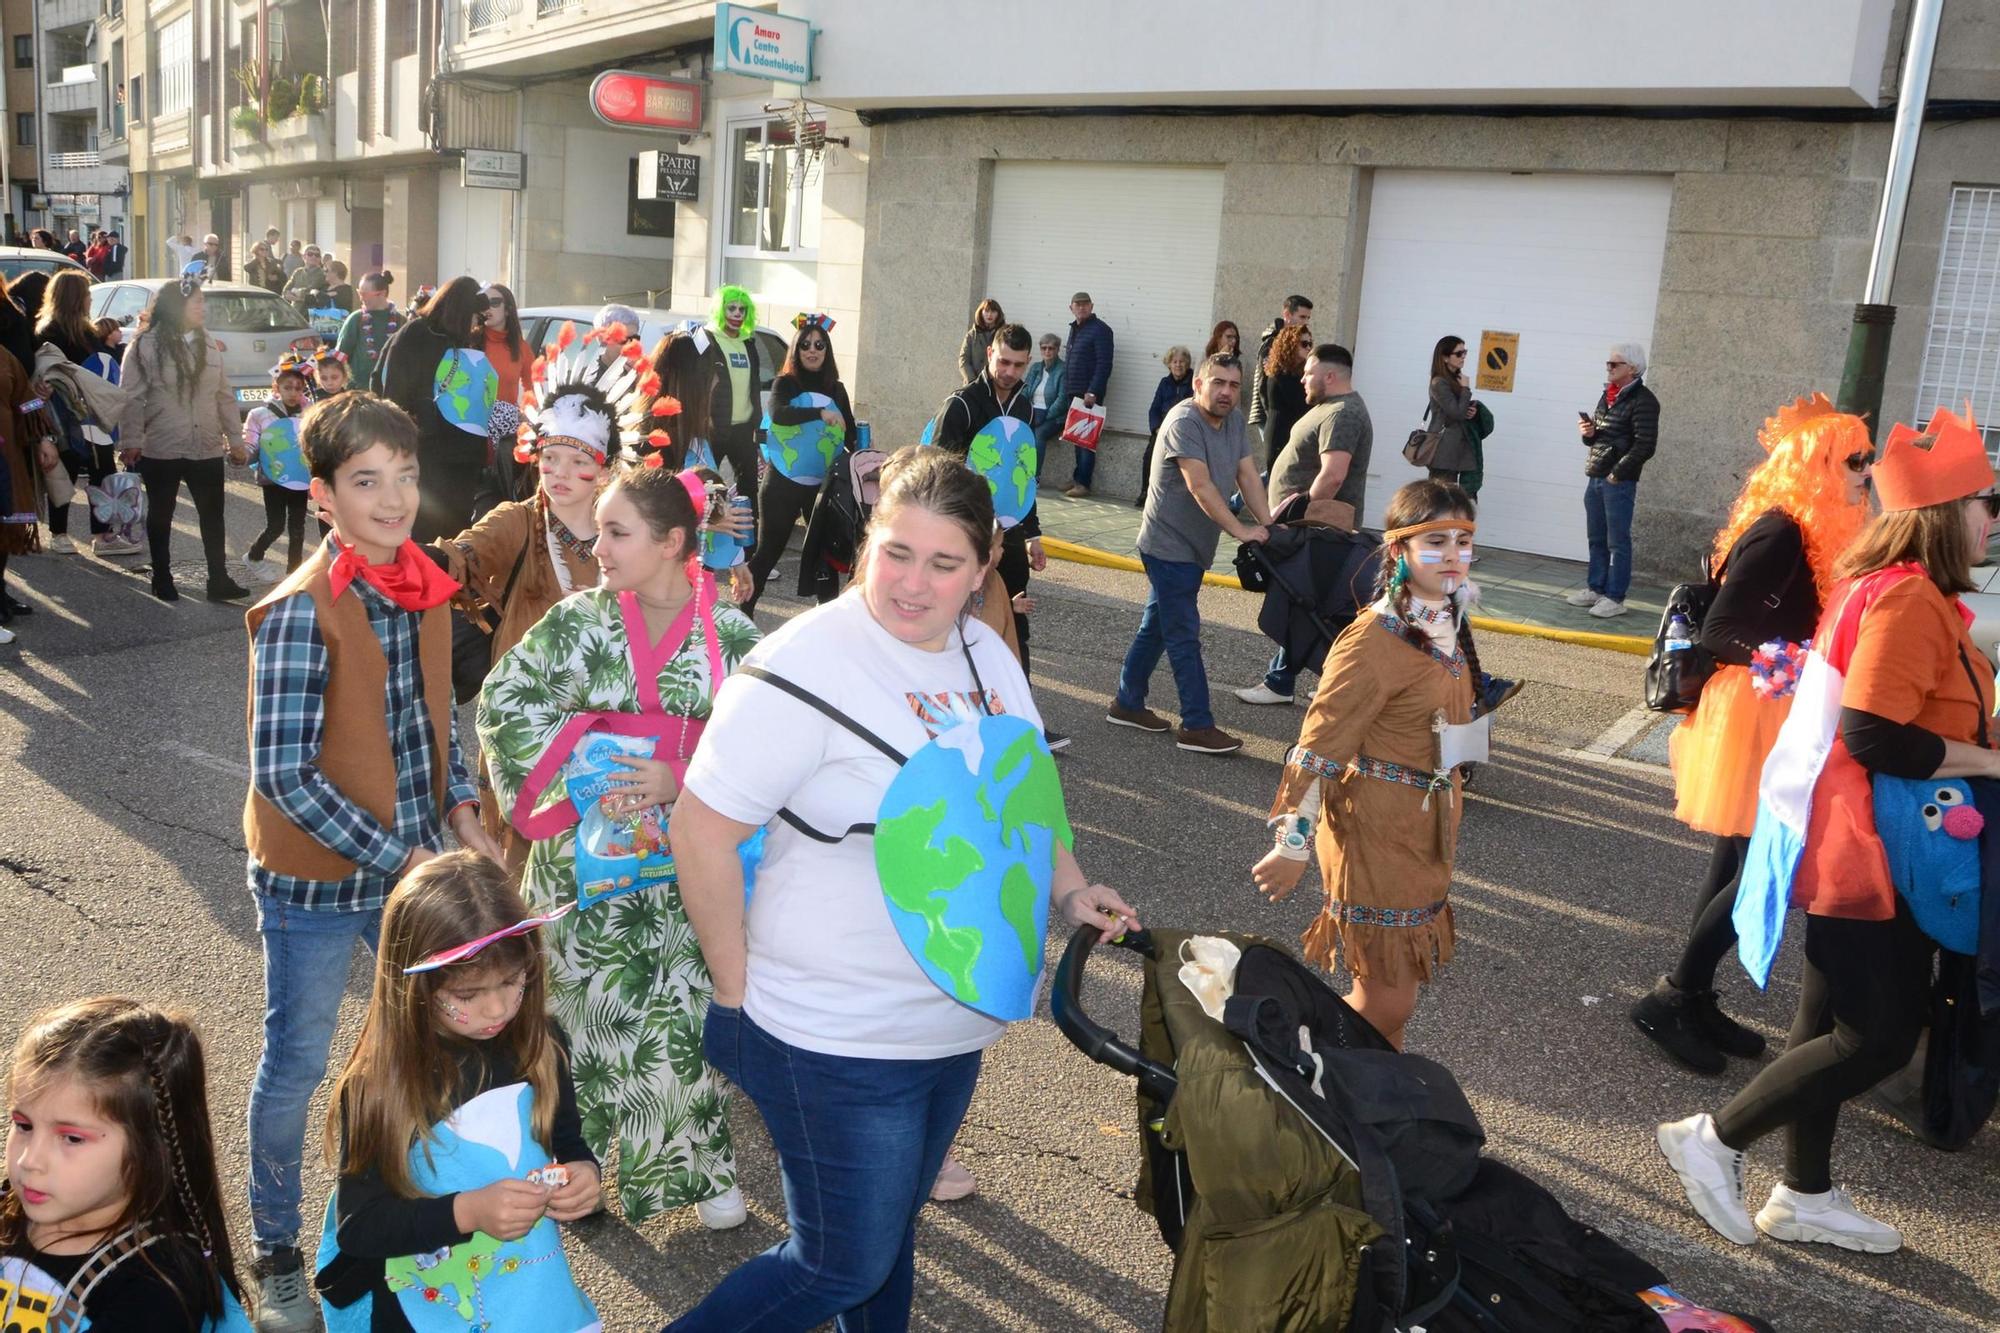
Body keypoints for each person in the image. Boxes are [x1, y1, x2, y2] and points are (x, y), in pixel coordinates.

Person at [666, 447, 1139, 1330]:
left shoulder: (988, 653)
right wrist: (733, 992)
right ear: (863, 544)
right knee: (837, 1264)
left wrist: (1070, 888)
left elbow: (1025, 790)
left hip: (951, 1021)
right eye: (896, 552)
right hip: (833, 1034)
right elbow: (701, 831)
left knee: (885, 1242)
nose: (913, 584)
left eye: (944, 562)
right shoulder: (800, 667)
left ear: (984, 566)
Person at [1658, 405, 1995, 1257]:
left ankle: (1803, 1192)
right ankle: (1714, 1138)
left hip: (1848, 834)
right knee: (1876, 1033)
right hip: (1873, 848)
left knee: (1825, 1023)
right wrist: (1987, 760)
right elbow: (1874, 733)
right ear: (1946, 515)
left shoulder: (1884, 584)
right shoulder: (1910, 598)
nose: (1994, 519)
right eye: (1988, 502)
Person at [241, 392, 501, 1330]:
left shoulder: (422, 583)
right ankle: (274, 1251)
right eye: (366, 482)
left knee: (422, 1046)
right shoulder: (301, 610)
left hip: (407, 867)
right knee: (298, 1061)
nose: (393, 501)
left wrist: (462, 804)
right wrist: (406, 860)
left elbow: (438, 722)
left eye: (405, 476)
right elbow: (281, 775)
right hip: (315, 882)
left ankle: (393, 1220)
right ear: (321, 494)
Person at [479, 462, 760, 1230]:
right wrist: (577, 779)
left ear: (673, 541)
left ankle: (698, 1168)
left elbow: (769, 744)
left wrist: (683, 774)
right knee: (582, 1016)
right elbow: (505, 697)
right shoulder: (578, 621)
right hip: (583, 858)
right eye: (597, 528)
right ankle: (581, 1169)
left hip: (688, 863)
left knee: (685, 1014)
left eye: (615, 530)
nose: (595, 544)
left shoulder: (732, 633)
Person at [1629, 395, 1874, 1075]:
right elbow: (1722, 632)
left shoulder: (1808, 532)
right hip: (1757, 711)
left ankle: (1694, 993)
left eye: (1867, 457)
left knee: (1738, 861)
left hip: (1772, 705)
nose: (1865, 470)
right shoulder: (1782, 532)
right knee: (1759, 862)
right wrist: (1805, 665)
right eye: (1853, 459)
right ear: (1817, 464)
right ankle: (1673, 997)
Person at [313, 854, 601, 1331]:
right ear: (416, 986)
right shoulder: (380, 1085)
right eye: (467, 995)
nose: (497, 1008)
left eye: (512, 981)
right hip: (425, 1308)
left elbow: (565, 1140)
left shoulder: (542, 1045)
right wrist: (467, 1212)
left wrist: (583, 1172)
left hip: (530, 1296)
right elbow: (361, 1227)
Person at [1250, 479, 1482, 1050]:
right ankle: (1297, 1078)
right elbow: (1320, 743)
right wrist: (1294, 843)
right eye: (1436, 542)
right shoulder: (1372, 638)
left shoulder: (1444, 619)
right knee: (1386, 998)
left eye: (1463, 540)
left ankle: (1376, 1109)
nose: (1453, 555)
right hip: (1373, 831)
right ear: (1399, 550)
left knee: (1393, 1000)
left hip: (1422, 831)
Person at [438, 326, 644, 867]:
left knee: (599, 877)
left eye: (579, 461)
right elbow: (464, 554)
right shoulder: (519, 524)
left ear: (605, 466)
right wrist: (420, 560)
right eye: (550, 457)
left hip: (608, 739)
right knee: (518, 880)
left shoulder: (628, 533)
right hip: (525, 733)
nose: (561, 474)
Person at [2, 996, 252, 1331]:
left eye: (71, 1138)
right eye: (23, 1125)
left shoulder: (158, 1289)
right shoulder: (9, 1208)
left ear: (150, 1146)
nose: (29, 1160)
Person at [1107, 352, 1271, 755]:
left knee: (1158, 625)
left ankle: (1127, 703)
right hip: (1168, 545)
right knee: (1183, 633)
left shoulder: (1233, 421)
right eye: (1218, 383)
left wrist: (1269, 525)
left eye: (1234, 385)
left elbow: (1246, 474)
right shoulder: (1184, 421)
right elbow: (1199, 485)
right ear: (1199, 384)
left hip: (1196, 546)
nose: (1226, 392)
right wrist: (1242, 531)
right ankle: (1196, 724)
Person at [928, 324, 1056, 724]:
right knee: (955, 619)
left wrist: (1033, 534)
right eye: (1003, 361)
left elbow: (1023, 474)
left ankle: (1020, 716)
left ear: (1028, 363)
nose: (1009, 371)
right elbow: (938, 475)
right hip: (965, 531)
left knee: (1014, 619)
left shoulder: (1024, 407)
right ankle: (948, 713)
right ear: (989, 355)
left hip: (1010, 531)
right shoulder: (962, 404)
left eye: (1018, 365)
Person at [1238, 342, 1376, 706]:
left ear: (1330, 376)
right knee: (1309, 605)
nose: (1302, 378)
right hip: (1312, 529)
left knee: (1305, 603)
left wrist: (1298, 516)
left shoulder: (1343, 413)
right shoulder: (1330, 408)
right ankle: (1320, 680)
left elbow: (1332, 475)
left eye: (1309, 372)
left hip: (1318, 531)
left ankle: (1283, 682)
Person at [117, 278, 250, 604]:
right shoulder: (145, 345)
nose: (203, 308)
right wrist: (131, 440)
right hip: (162, 444)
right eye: (197, 303)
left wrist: (235, 439)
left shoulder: (208, 343)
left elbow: (223, 395)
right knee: (162, 513)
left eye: (204, 302)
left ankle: (218, 579)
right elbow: (131, 398)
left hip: (205, 444)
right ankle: (162, 575)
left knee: (213, 515)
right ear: (177, 307)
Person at [745, 313, 856, 614]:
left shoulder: (837, 389)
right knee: (768, 553)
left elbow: (852, 434)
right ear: (796, 349)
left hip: (822, 484)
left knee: (827, 555)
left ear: (827, 351)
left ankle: (827, 621)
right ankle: (742, 615)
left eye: (820, 345)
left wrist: (862, 462)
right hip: (782, 482)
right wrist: (820, 415)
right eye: (805, 344)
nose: (812, 350)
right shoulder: (785, 384)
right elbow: (779, 414)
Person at [373, 276, 490, 542]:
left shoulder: (455, 338)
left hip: (460, 453)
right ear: (462, 311)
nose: (477, 324)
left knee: (455, 527)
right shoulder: (417, 334)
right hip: (427, 449)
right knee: (429, 526)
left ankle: (446, 578)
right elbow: (391, 388)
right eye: (476, 317)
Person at [34, 269, 123, 556]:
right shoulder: (47, 332)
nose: (89, 300)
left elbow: (102, 365)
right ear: (75, 298)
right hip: (62, 412)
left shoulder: (87, 332)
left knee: (104, 470)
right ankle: (58, 533)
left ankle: (101, 533)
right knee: (66, 468)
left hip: (91, 413)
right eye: (85, 294)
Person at [1568, 341, 1659, 619]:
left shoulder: (1644, 401)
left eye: (1614, 364)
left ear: (1632, 368)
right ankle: (1595, 588)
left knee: (1617, 541)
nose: (1608, 368)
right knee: (1596, 537)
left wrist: (1617, 473)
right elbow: (1599, 437)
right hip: (1596, 475)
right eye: (1608, 363)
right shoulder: (1607, 395)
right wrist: (1588, 432)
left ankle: (1615, 597)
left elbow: (1645, 445)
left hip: (1618, 480)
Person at [693, 285, 766, 530]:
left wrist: (759, 427)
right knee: (707, 486)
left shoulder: (748, 343)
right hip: (715, 428)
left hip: (744, 430)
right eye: (731, 308)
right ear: (720, 310)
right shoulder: (708, 340)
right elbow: (698, 384)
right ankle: (707, 551)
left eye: (742, 309)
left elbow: (753, 388)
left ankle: (748, 553)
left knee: (749, 491)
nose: (737, 314)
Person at [242, 356, 314, 574]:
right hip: (272, 478)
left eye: (298, 388)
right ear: (276, 387)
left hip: (299, 478)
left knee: (298, 528)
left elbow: (315, 444)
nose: (293, 392)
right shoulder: (260, 414)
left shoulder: (311, 414)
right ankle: (254, 555)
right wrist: (241, 454)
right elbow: (251, 443)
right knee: (276, 526)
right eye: (288, 387)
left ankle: (294, 573)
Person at [0, 337, 50, 644]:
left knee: (6, 528)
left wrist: (44, 439)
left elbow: (25, 398)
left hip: (5, 458)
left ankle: (0, 594)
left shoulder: (4, 355)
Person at [1061, 291, 1114, 497]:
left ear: (1092, 306)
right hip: (1073, 391)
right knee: (1077, 438)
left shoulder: (1101, 330)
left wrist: (1093, 390)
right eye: (1077, 304)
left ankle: (1083, 483)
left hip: (1089, 395)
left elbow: (1104, 364)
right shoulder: (1075, 329)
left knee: (1087, 440)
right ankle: (1077, 478)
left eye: (1085, 304)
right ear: (1071, 307)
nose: (1081, 307)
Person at [1249, 295, 1312, 452]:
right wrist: (1270, 413)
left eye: (1308, 318)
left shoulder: (1295, 341)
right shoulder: (1272, 343)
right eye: (1302, 317)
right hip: (1269, 413)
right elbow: (1265, 384)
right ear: (1287, 315)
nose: (1305, 322)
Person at [1136, 345, 1196, 508]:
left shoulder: (1193, 382)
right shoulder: (1165, 383)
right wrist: (1156, 428)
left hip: (1183, 431)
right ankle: (1145, 492)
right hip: (1162, 429)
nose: (1178, 365)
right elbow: (1154, 409)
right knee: (1149, 457)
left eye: (1182, 362)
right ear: (1169, 364)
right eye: (1174, 361)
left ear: (1188, 364)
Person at [1423, 335, 1480, 486]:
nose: (1463, 357)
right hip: (1443, 449)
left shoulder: (1455, 379)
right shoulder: (1439, 382)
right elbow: (1457, 413)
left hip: (1454, 448)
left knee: (1449, 497)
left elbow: (1459, 410)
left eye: (1465, 352)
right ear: (1445, 358)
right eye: (1459, 353)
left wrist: (1470, 411)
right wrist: (1466, 389)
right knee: (1439, 498)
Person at [1255, 324, 1312, 472]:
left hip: (1294, 433)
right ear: (1291, 344)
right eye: (1304, 344)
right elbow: (1302, 404)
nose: (1308, 348)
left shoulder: (1299, 373)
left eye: (1310, 344)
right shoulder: (1280, 374)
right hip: (1280, 435)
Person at [335, 271, 401, 392]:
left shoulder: (401, 321)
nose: (361, 298)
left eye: (364, 294)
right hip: (358, 391)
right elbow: (340, 356)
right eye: (359, 293)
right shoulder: (356, 319)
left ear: (382, 294)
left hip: (391, 391)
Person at [1023, 332, 1066, 482]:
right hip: (1032, 411)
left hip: (1053, 416)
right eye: (1044, 348)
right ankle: (1017, 473)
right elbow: (1025, 390)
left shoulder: (1063, 369)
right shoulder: (1035, 367)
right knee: (1018, 430)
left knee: (1038, 434)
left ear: (1057, 350)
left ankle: (1034, 477)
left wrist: (1044, 416)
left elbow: (1062, 400)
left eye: (1051, 348)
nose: (1047, 351)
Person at [479, 283, 528, 409]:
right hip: (471, 423)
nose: (487, 308)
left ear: (508, 310)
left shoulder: (521, 347)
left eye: (494, 302)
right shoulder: (467, 343)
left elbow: (533, 388)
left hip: (505, 425)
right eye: (483, 302)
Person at [957, 298, 1005, 385]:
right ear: (981, 312)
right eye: (986, 311)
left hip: (995, 384)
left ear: (998, 314)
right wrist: (972, 381)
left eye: (993, 311)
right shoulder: (971, 335)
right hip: (972, 384)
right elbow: (963, 359)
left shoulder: (1004, 335)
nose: (989, 314)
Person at [281, 246, 331, 314]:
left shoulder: (323, 274)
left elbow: (310, 290)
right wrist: (297, 296)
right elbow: (285, 291)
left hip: (312, 313)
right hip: (296, 312)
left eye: (317, 255)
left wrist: (295, 292)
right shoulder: (298, 272)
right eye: (310, 254)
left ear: (320, 258)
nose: (313, 257)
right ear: (304, 256)